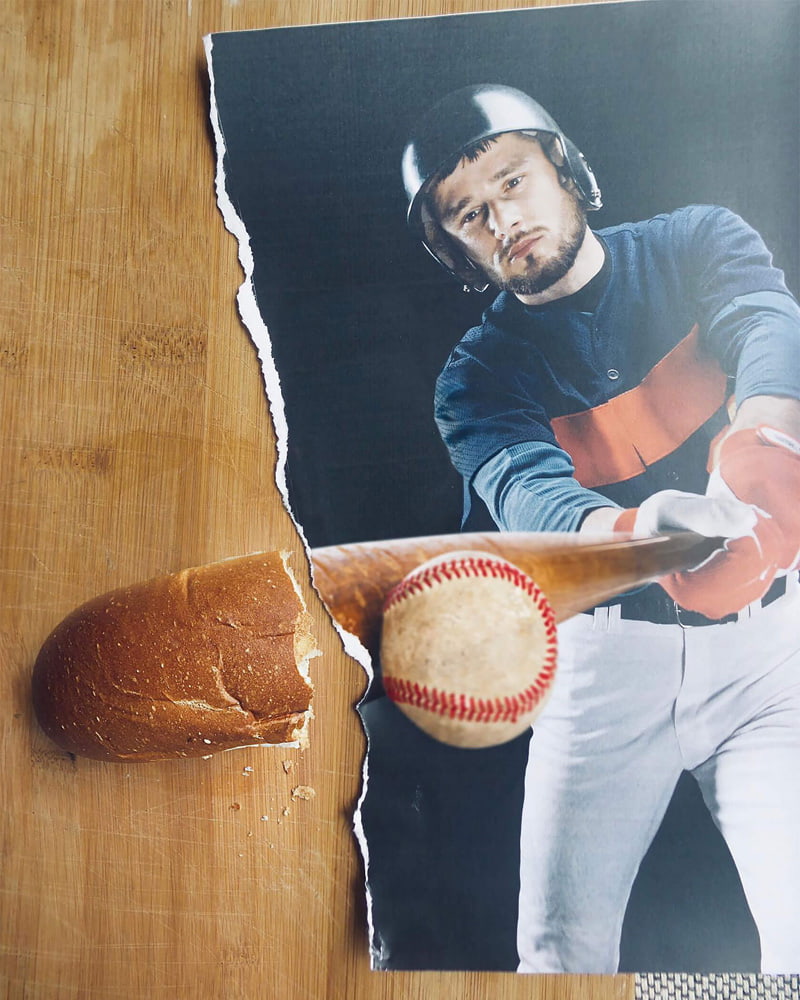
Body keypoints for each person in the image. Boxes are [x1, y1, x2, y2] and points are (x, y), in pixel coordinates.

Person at [401, 83, 800, 973]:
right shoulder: (474, 380)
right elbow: (526, 490)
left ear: (565, 169)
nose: (500, 219)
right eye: (469, 214)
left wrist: (766, 447)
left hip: (770, 660)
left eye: (512, 181)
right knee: (558, 959)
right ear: (456, 249)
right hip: (606, 672)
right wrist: (644, 536)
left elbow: (765, 320)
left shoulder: (697, 240)